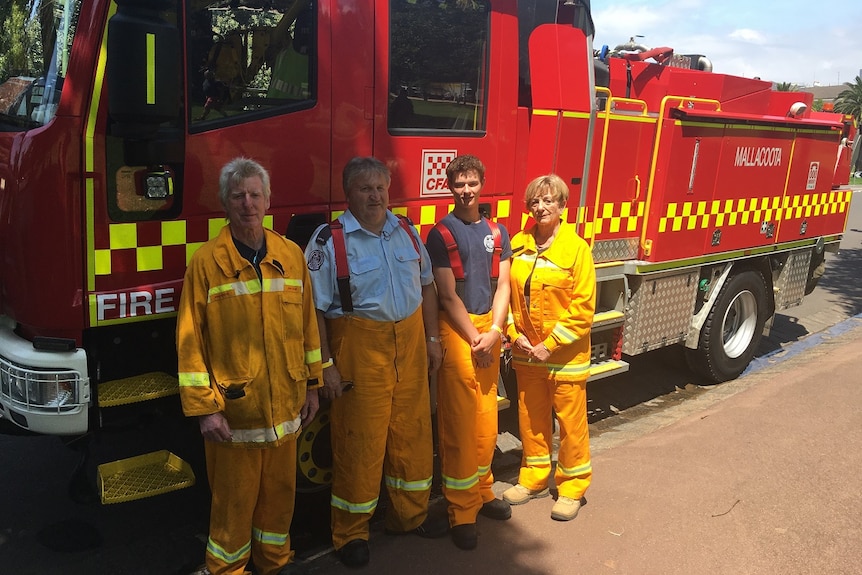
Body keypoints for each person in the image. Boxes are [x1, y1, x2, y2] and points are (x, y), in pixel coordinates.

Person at [177, 157, 321, 575]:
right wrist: (205, 408)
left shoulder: (291, 256)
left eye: (255, 195)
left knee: (280, 502)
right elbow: (190, 342)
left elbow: (308, 327)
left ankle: (274, 564)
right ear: (225, 202)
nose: (247, 203)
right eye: (238, 196)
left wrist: (312, 386)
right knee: (232, 507)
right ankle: (228, 570)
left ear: (268, 200)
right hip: (235, 415)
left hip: (287, 410)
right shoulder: (206, 263)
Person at [304, 156, 446, 569]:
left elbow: (427, 287)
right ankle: (350, 534)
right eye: (365, 188)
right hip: (359, 350)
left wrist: (432, 338)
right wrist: (325, 364)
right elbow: (313, 309)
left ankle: (410, 516)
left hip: (410, 343)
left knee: (413, 434)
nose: (375, 195)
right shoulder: (328, 241)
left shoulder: (404, 230)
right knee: (358, 444)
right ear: (348, 194)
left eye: (381, 187)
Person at [424, 154, 513, 550]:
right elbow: (445, 293)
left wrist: (494, 331)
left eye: (472, 183)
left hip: (487, 330)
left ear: (481, 184)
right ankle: (461, 510)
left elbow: (504, 287)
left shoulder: (498, 231)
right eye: (459, 184)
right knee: (459, 422)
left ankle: (482, 490)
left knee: (485, 417)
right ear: (450, 187)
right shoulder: (440, 233)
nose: (466, 190)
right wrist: (476, 338)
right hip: (458, 330)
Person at [502, 174, 596, 522]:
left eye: (548, 201)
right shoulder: (519, 243)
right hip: (528, 354)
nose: (541, 207)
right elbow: (508, 297)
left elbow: (583, 308)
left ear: (562, 206)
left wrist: (551, 344)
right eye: (535, 202)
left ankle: (572, 488)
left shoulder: (577, 249)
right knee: (530, 420)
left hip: (565, 357)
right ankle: (533, 478)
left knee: (571, 425)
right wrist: (514, 333)